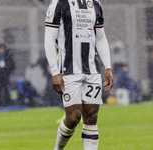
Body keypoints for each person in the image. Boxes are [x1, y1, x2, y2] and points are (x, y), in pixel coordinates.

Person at [44, 0, 113, 150]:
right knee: (73, 117)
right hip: (68, 72)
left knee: (91, 117)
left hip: (92, 70)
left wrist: (108, 67)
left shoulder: (95, 4)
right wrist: (55, 72)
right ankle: (58, 148)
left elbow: (101, 37)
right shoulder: (59, 3)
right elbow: (49, 38)